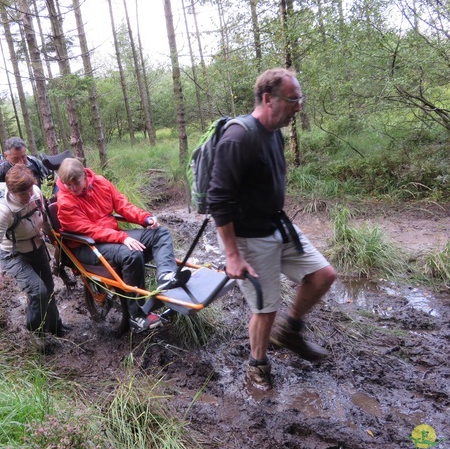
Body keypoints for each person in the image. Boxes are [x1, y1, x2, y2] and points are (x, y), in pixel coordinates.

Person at [207, 68, 337, 390]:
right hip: (248, 236)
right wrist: (232, 255)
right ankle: (257, 367)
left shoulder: (275, 132)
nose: (299, 106)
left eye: (299, 99)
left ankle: (290, 331)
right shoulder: (238, 137)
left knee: (323, 275)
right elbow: (217, 200)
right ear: (268, 99)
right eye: (293, 100)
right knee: (265, 309)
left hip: (278, 225)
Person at [56, 158, 190, 332]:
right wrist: (121, 238)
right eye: (68, 185)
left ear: (85, 176)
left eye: (76, 183)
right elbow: (89, 230)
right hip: (85, 245)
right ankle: (136, 314)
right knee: (131, 254)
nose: (72, 189)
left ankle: (166, 276)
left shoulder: (102, 183)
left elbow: (122, 205)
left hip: (110, 237)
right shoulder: (65, 202)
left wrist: (145, 218)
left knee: (160, 234)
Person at [0, 164, 66, 336]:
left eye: (29, 191)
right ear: (11, 190)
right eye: (23, 194)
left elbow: (42, 216)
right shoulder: (3, 210)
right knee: (38, 291)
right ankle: (37, 332)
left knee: (49, 289)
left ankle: (56, 326)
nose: (28, 196)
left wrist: (52, 237)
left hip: (36, 246)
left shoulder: (35, 192)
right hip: (13, 254)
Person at [0, 138, 48, 206]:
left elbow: (53, 178)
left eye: (23, 157)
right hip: (15, 216)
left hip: (38, 210)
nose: (21, 162)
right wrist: (1, 205)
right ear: (6, 155)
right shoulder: (0, 172)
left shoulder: (34, 162)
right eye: (15, 159)